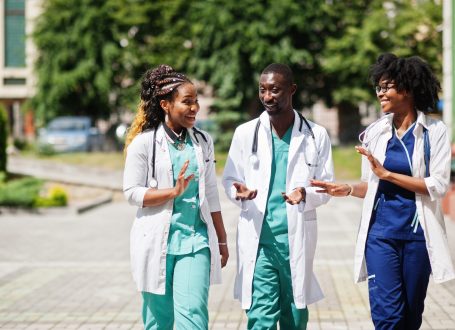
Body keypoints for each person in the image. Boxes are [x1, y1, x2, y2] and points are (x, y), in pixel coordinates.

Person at [312, 53, 455, 330]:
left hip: (418, 236)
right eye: (378, 87)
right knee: (388, 317)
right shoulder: (375, 132)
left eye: (386, 86)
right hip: (381, 236)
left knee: (410, 316)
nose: (380, 93)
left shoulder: (434, 132)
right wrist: (348, 188)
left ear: (408, 88)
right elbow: (372, 184)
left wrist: (388, 174)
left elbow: (436, 186)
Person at [222, 63, 334, 329]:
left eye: (275, 90)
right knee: (260, 319)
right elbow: (229, 179)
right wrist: (240, 193)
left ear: (292, 90)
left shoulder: (316, 135)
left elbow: (326, 186)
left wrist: (305, 193)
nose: (267, 97)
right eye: (263, 90)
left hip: (295, 239)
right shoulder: (245, 133)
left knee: (294, 318)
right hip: (260, 241)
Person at [123, 64, 229, 329]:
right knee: (158, 320)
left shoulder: (203, 141)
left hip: (195, 241)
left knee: (193, 315)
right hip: (155, 239)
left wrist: (223, 240)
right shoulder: (145, 143)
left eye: (196, 102)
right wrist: (172, 192)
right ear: (165, 104)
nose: (194, 108)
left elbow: (212, 192)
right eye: (187, 102)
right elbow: (132, 192)